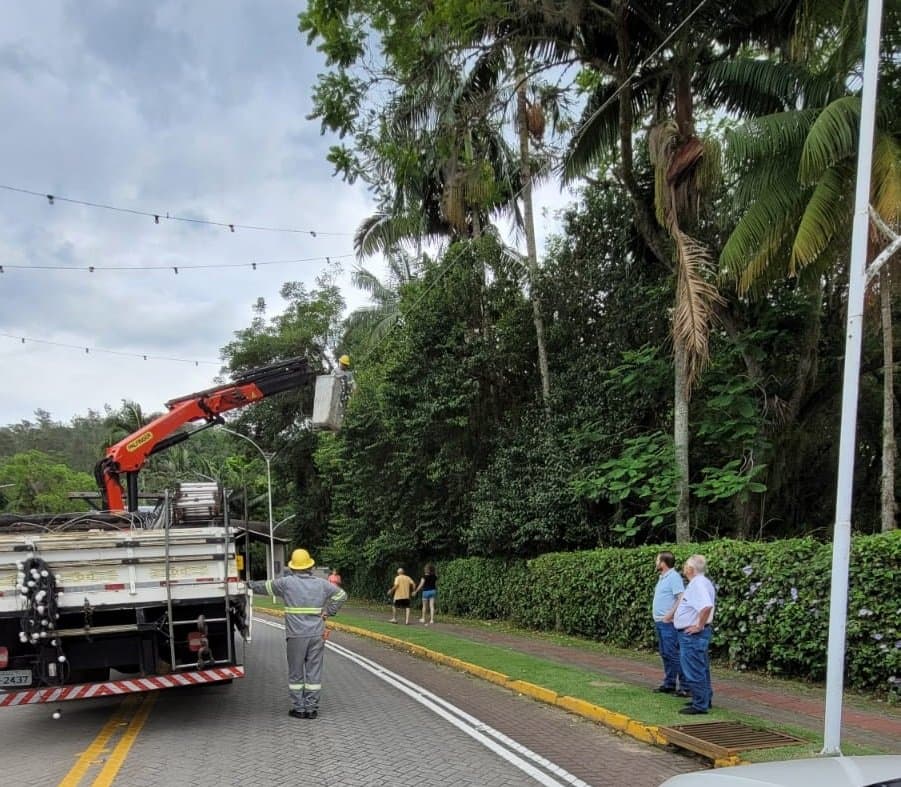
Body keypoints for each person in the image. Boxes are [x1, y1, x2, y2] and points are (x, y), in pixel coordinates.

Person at [247, 548, 347, 720]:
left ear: (293, 567)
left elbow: (263, 587)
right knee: (313, 672)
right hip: (316, 634)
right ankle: (312, 709)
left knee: (296, 673)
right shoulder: (322, 584)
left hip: (296, 636)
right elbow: (342, 595)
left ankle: (299, 708)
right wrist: (328, 612)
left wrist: (247, 584)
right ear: (310, 566)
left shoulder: (286, 583)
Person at [673, 554, 716, 715]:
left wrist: (699, 625)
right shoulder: (703, 582)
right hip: (695, 634)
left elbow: (706, 606)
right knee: (701, 667)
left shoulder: (698, 584)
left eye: (686, 565)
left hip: (692, 635)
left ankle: (699, 704)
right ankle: (704, 699)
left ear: (690, 569)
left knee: (693, 669)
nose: (684, 568)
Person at [652, 551, 688, 696]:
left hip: (668, 623)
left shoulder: (673, 577)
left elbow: (681, 597)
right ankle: (669, 683)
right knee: (666, 653)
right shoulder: (663, 577)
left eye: (657, 560)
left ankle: (685, 686)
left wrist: (670, 614)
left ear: (663, 563)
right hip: (661, 622)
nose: (656, 563)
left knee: (673, 654)